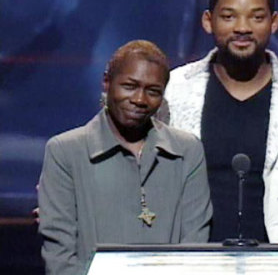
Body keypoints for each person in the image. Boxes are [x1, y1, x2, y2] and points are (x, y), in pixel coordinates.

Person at [165, 0, 278, 243]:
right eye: (229, 16)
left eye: (256, 17)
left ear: (274, 23)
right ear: (208, 21)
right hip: (190, 258)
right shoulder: (173, 90)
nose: (242, 27)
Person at [38, 40, 212, 275]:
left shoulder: (186, 151)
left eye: (153, 91)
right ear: (107, 82)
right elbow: (60, 258)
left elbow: (195, 250)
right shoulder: (65, 152)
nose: (140, 100)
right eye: (129, 86)